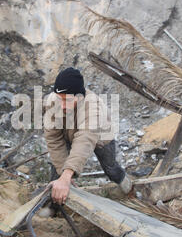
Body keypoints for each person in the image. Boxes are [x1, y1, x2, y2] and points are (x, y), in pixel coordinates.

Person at [43, 67, 132, 208]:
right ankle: (54, 208)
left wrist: (68, 174)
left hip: (101, 137)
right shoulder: (52, 102)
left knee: (111, 169)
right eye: (60, 99)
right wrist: (64, 175)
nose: (62, 105)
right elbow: (54, 139)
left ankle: (128, 189)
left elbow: (85, 140)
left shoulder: (93, 107)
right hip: (69, 134)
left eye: (67, 100)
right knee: (57, 173)